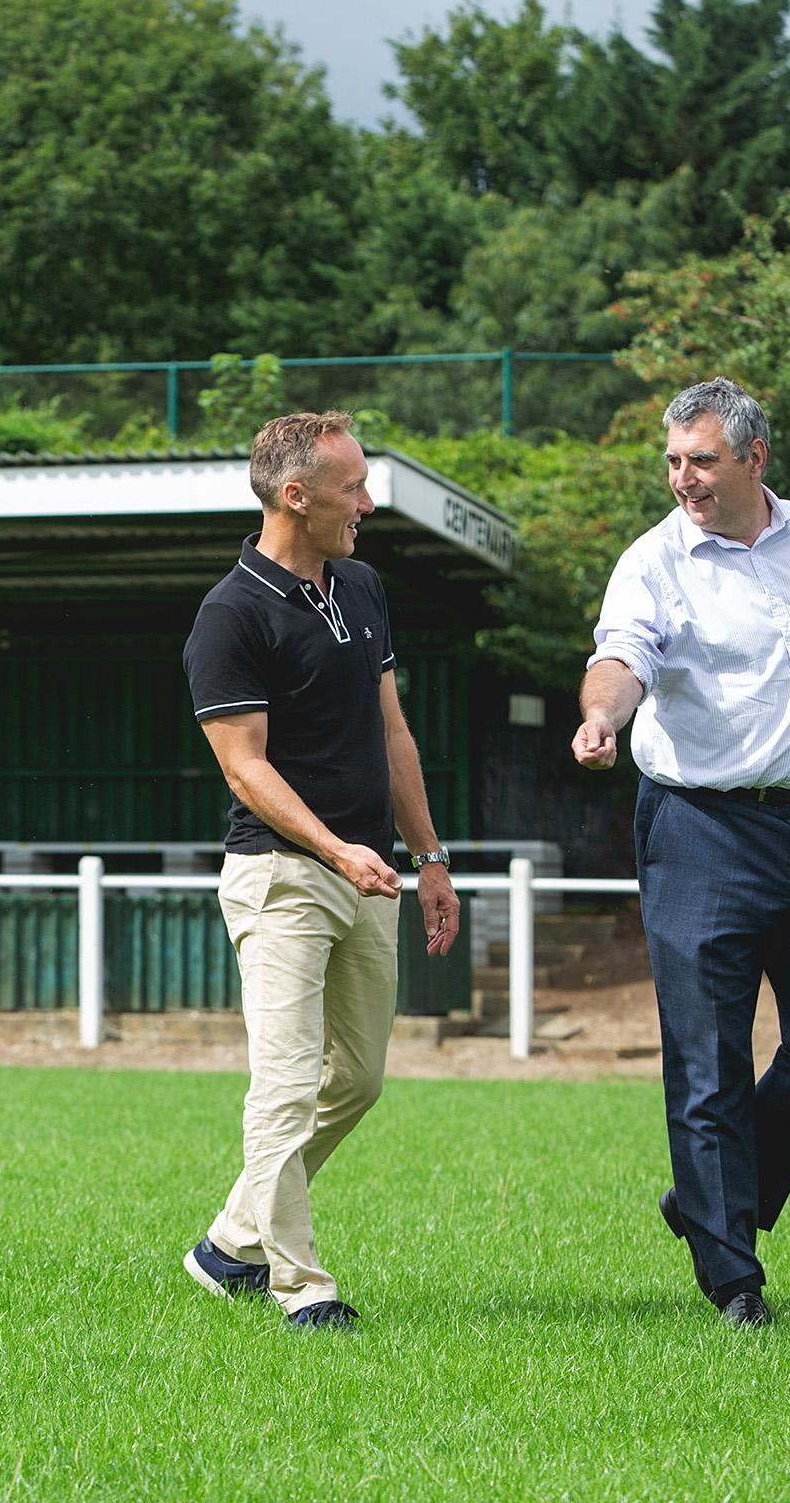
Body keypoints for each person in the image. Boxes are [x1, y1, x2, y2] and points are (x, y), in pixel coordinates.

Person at [572, 377, 790, 1327]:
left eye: (703, 460)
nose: (684, 478)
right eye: (673, 461)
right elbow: (622, 654)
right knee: (708, 1059)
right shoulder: (654, 561)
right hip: (699, 830)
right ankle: (734, 1280)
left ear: (754, 458)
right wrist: (602, 717)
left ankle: (706, 1201)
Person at [179, 410, 460, 1330]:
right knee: (287, 1083)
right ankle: (303, 1288)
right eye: (353, 489)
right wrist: (335, 849)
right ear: (295, 496)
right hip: (280, 880)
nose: (368, 504)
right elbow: (245, 767)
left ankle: (229, 1242)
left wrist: (430, 859)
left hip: (370, 877)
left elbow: (393, 733)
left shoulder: (364, 586)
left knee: (360, 1080)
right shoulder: (229, 614)